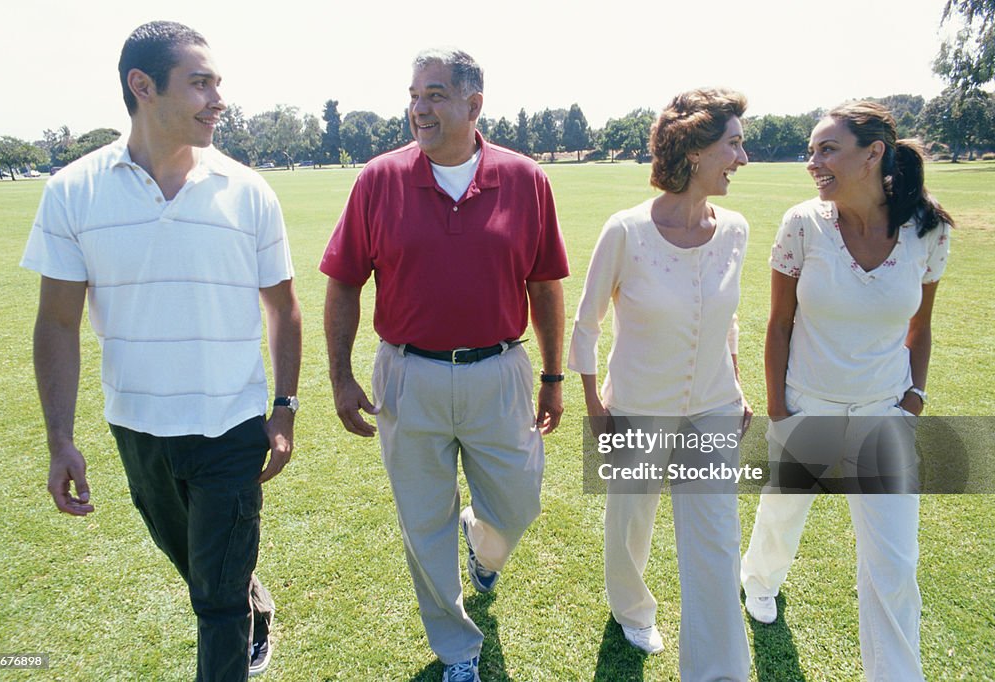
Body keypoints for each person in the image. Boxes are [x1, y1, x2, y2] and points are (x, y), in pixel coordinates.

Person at [21, 21, 301, 681]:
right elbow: (56, 323)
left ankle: (238, 604)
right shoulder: (72, 192)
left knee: (214, 601)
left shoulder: (248, 192)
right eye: (200, 83)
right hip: (138, 431)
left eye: (218, 83)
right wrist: (59, 438)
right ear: (142, 87)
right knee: (203, 570)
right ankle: (248, 595)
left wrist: (284, 409)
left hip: (230, 427)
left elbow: (283, 307)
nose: (218, 98)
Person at [320, 48, 568, 682]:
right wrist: (341, 376)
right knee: (423, 522)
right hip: (409, 376)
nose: (418, 107)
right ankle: (458, 649)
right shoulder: (378, 178)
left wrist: (553, 375)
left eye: (433, 94)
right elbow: (344, 281)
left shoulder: (525, 178)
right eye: (413, 94)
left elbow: (544, 284)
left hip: (501, 371)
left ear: (473, 104)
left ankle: (483, 542)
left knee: (518, 503)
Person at [740, 101, 951, 681]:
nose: (813, 162)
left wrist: (914, 401)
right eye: (812, 150)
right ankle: (758, 582)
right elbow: (779, 323)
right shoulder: (802, 224)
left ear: (873, 154)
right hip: (808, 405)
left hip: (885, 414)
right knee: (782, 517)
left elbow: (921, 327)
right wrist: (780, 411)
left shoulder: (926, 232)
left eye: (827, 149)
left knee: (894, 565)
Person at [568, 88, 753, 681]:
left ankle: (718, 672)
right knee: (630, 526)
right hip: (637, 408)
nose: (742, 158)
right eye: (733, 143)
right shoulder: (625, 231)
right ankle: (631, 608)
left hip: (713, 412)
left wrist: (738, 386)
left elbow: (727, 320)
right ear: (695, 151)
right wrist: (594, 404)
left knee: (718, 549)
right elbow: (587, 321)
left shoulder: (737, 230)